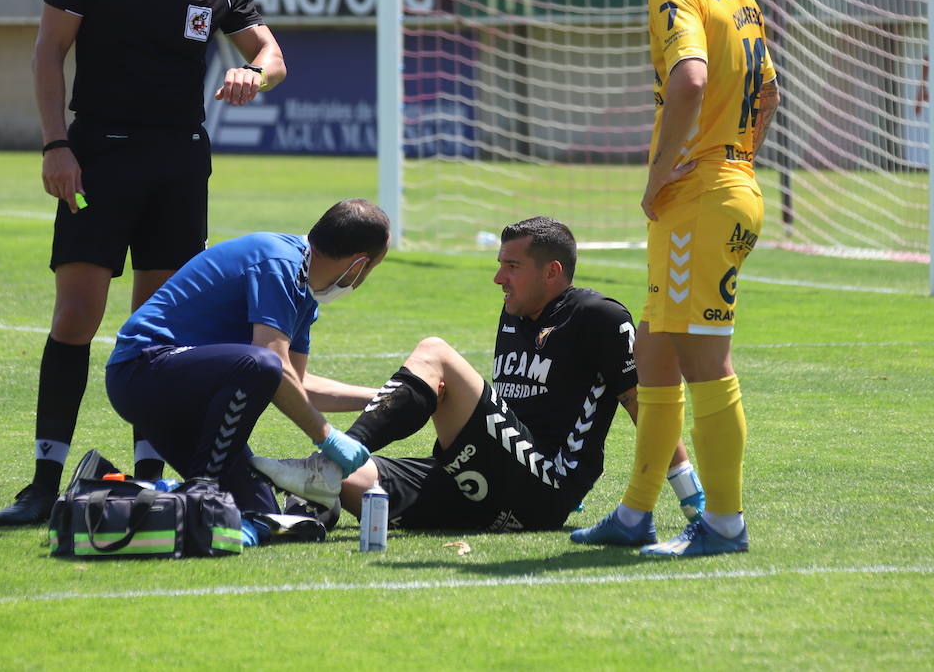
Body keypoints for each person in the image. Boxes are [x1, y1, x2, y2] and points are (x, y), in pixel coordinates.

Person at [0, 0, 287, 525]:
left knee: (160, 334)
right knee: (76, 317)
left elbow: (271, 53)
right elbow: (48, 50)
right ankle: (43, 479)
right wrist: (56, 145)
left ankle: (150, 478)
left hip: (181, 164)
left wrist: (257, 75)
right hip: (99, 158)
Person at [252, 217, 706, 535]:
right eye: (500, 264)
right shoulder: (514, 313)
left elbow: (643, 404)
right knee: (360, 482)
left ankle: (327, 465)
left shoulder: (598, 316)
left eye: (512, 266)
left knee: (436, 353)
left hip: (545, 486)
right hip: (486, 479)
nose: (498, 278)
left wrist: (690, 494)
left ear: (552, 273)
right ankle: (305, 516)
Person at [570, 0, 780, 557]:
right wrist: (735, 160)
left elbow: (689, 78)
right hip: (727, 183)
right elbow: (769, 90)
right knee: (652, 350)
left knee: (704, 360)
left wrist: (666, 172)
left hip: (699, 197)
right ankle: (635, 514)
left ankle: (724, 524)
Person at [102, 199, 391, 536]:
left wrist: (385, 398)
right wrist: (326, 436)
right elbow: (271, 366)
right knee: (262, 363)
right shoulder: (279, 264)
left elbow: (297, 383)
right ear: (359, 265)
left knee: (261, 512)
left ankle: (132, 492)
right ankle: (202, 489)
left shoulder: (303, 286)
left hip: (184, 397)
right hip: (141, 372)